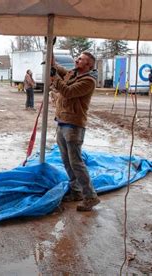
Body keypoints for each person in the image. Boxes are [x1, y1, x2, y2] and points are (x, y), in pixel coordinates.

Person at [50, 51, 100, 211]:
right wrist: (50, 51)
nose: (77, 60)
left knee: (76, 163)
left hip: (73, 125)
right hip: (62, 122)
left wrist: (54, 77)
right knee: (66, 160)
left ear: (89, 65)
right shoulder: (74, 73)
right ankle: (76, 191)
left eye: (81, 59)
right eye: (78, 58)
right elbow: (57, 67)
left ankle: (90, 196)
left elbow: (68, 92)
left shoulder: (88, 81)